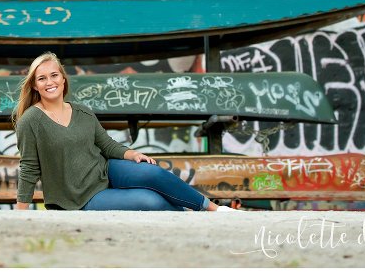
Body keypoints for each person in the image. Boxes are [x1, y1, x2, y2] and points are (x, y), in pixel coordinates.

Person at [13, 52, 241, 212]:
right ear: (34, 85)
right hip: (79, 197)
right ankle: (190, 216)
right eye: (41, 78)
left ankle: (214, 209)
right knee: (151, 201)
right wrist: (21, 213)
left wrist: (132, 155)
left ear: (63, 78)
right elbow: (29, 168)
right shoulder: (31, 120)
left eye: (54, 75)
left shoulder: (82, 111)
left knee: (153, 172)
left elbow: (106, 144)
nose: (49, 82)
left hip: (105, 170)